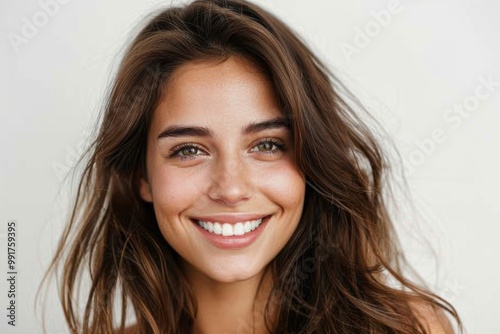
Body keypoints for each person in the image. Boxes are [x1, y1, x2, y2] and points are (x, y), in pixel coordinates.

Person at [45, 0, 462, 333]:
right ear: (142, 176)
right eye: (189, 150)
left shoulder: (405, 328)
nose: (231, 188)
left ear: (312, 162)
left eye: (266, 145)